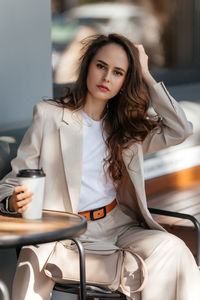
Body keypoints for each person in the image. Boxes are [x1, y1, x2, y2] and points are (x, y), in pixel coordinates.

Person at [0, 33, 200, 300]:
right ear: (87, 67)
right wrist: (13, 202)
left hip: (118, 225)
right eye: (101, 66)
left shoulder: (127, 128)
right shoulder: (49, 117)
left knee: (172, 247)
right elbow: (11, 183)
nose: (107, 78)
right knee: (35, 259)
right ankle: (125, 271)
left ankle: (125, 270)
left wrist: (147, 76)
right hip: (68, 230)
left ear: (125, 81)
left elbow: (180, 129)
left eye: (118, 73)